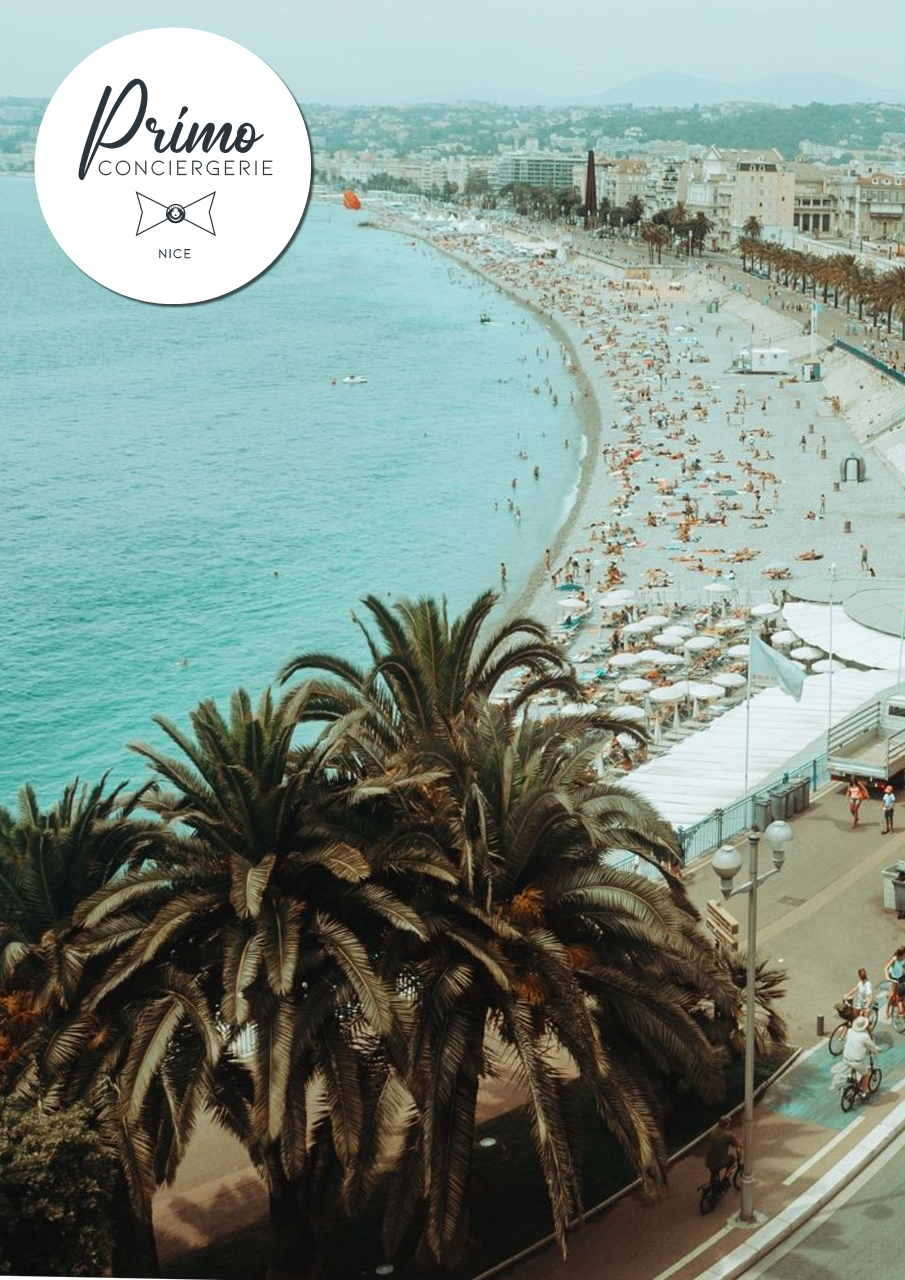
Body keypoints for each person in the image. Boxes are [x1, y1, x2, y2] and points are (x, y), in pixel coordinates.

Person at [843, 1015, 878, 1097]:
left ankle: (851, 1075)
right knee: (866, 1074)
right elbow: (871, 1047)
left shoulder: (850, 1031)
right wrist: (876, 1051)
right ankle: (864, 1093)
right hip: (856, 1062)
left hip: (846, 1057)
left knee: (853, 1061)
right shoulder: (865, 1037)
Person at [705, 1115, 742, 1188]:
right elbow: (736, 1144)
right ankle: (726, 1179)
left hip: (709, 1160)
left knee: (714, 1171)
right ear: (727, 1125)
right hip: (720, 1161)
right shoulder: (728, 1135)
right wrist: (742, 1145)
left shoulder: (713, 1132)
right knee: (732, 1160)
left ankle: (713, 1186)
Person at [885, 946, 905, 1020]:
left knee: (901, 993)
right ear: (901, 954)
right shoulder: (894, 959)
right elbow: (885, 968)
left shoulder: (903, 958)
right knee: (892, 995)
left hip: (901, 977)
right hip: (893, 978)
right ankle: (887, 1011)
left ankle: (900, 1005)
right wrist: (887, 977)